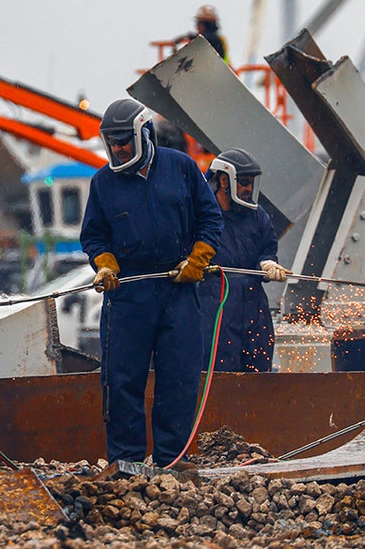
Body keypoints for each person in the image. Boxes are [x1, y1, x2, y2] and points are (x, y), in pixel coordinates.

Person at [80, 97, 224, 468]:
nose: (117, 148)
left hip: (179, 289)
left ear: (144, 134)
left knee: (179, 378)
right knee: (122, 379)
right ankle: (125, 461)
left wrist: (198, 259)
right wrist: (105, 263)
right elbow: (94, 237)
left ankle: (172, 458)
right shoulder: (103, 184)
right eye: (111, 142)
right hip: (128, 294)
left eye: (123, 140)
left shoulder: (182, 168)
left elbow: (210, 220)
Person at [199, 148, 287, 372]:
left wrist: (268, 262)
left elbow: (267, 248)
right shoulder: (201, 215)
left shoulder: (257, 215)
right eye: (244, 183)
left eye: (251, 183)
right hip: (216, 305)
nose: (248, 189)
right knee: (219, 375)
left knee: (258, 375)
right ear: (223, 180)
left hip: (254, 306)